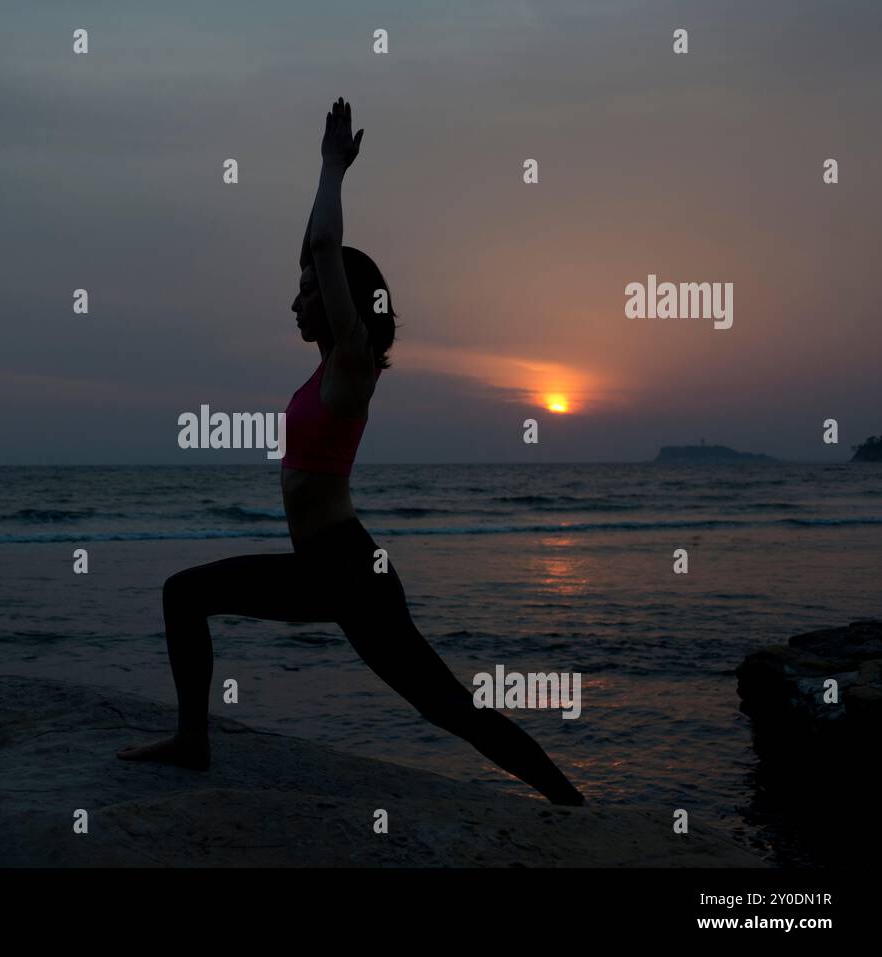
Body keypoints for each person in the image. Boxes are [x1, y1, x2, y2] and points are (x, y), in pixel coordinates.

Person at [119, 98, 584, 806]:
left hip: (348, 566)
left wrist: (334, 169)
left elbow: (329, 252)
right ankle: (193, 740)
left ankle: (568, 800)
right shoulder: (323, 368)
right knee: (186, 593)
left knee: (446, 707)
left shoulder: (352, 365)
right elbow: (318, 251)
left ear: (345, 304)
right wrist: (320, 178)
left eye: (308, 293)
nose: (295, 301)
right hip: (323, 564)